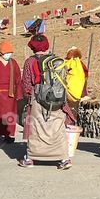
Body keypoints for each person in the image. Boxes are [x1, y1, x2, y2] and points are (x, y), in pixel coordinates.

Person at [18, 35, 76, 169]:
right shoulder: (56, 60)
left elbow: (26, 84)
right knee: (58, 128)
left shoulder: (30, 62)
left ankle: (30, 158)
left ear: (32, 47)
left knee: (36, 129)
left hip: (38, 100)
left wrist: (29, 98)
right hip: (57, 100)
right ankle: (64, 159)